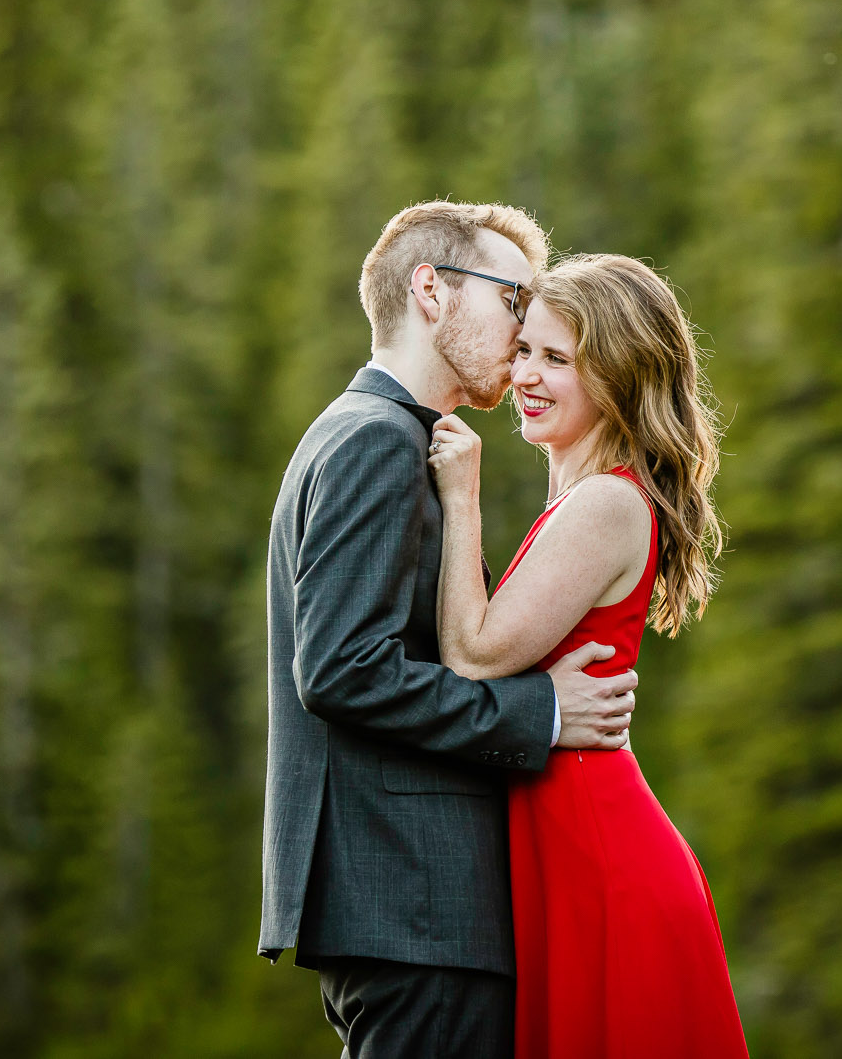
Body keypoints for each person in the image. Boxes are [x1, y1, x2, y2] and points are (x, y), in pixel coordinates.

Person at [259, 202, 640, 1059]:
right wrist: (540, 713)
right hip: (418, 899)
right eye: (513, 299)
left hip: (404, 906)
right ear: (431, 291)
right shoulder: (378, 442)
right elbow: (343, 669)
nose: (524, 328)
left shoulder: (370, 433)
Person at [427, 253, 749, 1059]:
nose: (527, 376)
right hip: (570, 852)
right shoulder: (583, 492)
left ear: (617, 375)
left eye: (557, 359)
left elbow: (472, 652)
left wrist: (461, 495)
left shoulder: (606, 500)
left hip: (604, 866)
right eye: (525, 348)